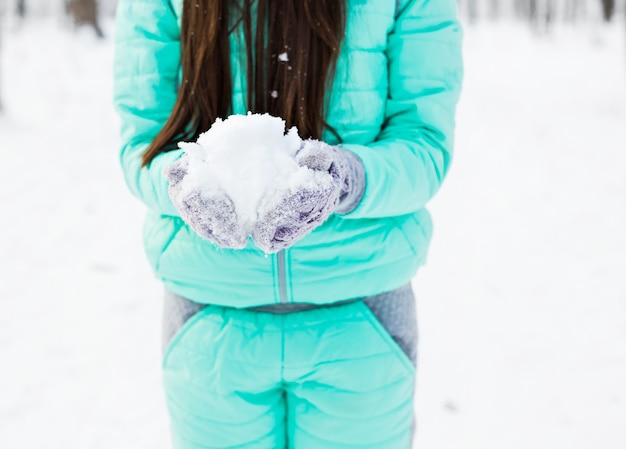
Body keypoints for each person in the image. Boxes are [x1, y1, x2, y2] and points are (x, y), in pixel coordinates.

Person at [113, 0, 463, 448]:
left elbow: (425, 144)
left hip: (360, 322)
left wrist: (347, 178)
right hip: (210, 325)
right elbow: (142, 145)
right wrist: (182, 185)